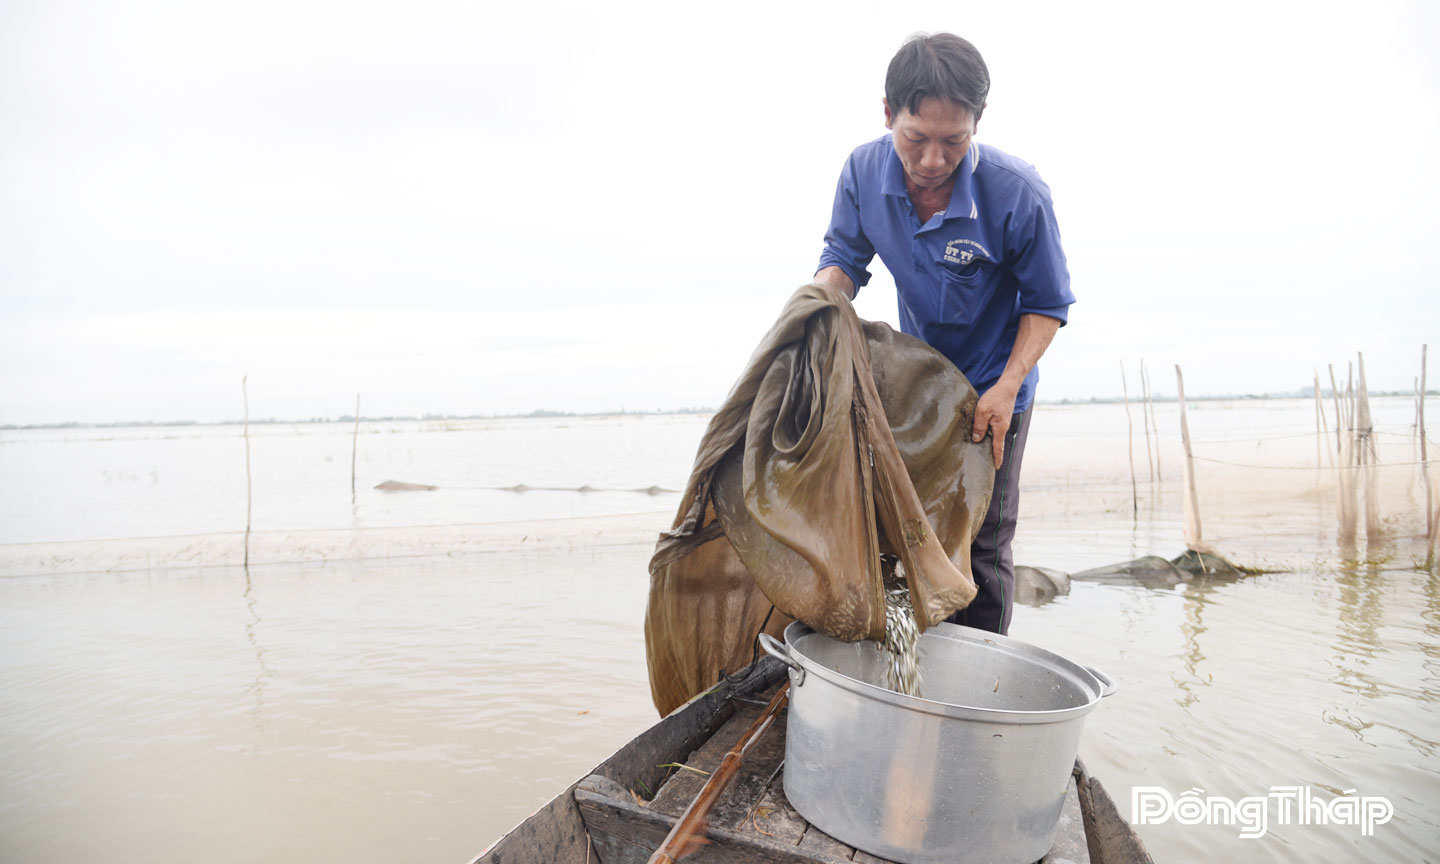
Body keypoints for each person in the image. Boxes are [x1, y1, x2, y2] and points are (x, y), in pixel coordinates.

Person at [813, 32, 1074, 635]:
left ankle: (980, 686)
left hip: (993, 391)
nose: (933, 159)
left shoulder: (1017, 193)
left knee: (981, 545)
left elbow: (1047, 303)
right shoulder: (861, 171)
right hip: (916, 388)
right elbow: (843, 260)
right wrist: (821, 308)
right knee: (908, 530)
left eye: (953, 141)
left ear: (977, 123)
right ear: (888, 114)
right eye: (916, 139)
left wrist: (1008, 386)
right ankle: (909, 666)